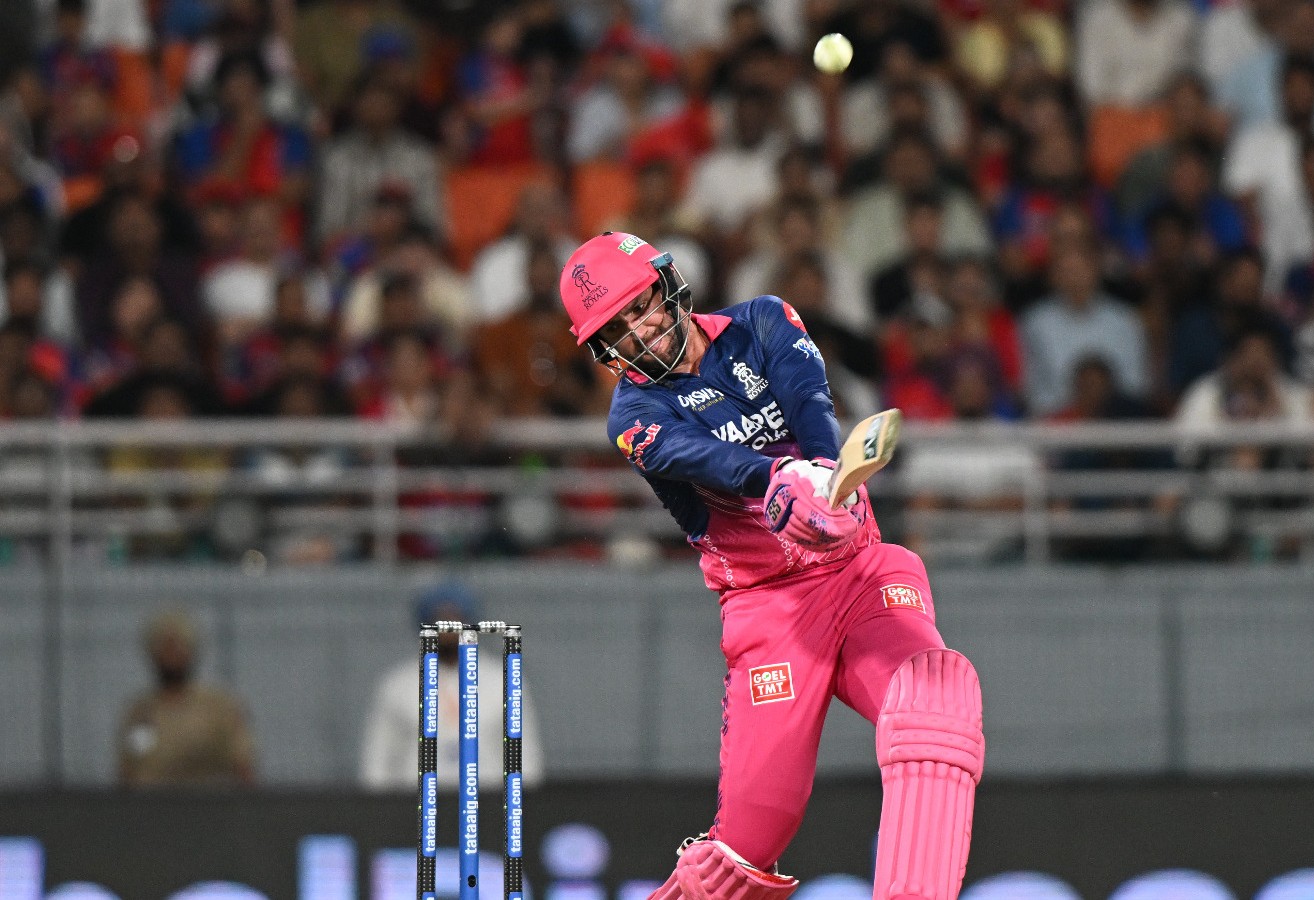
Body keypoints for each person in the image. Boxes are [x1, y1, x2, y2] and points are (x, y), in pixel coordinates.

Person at [558, 232, 984, 900]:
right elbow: (713, 464)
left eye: (639, 307)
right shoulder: (632, 416)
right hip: (771, 614)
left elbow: (809, 399)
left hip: (859, 572)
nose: (637, 333)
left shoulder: (763, 322)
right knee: (741, 857)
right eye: (615, 330)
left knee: (936, 700)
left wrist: (820, 472)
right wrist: (781, 482)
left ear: (668, 285)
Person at [359, 579, 544, 791]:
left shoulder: (501, 679)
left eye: (454, 619)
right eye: (440, 620)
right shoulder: (398, 684)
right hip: (416, 804)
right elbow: (378, 757)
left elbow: (524, 754)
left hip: (485, 800)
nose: (448, 629)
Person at [116, 608, 255, 787]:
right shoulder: (140, 713)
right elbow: (128, 770)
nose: (171, 655)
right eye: (164, 647)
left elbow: (243, 765)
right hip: (152, 809)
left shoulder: (219, 707)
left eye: (177, 646)